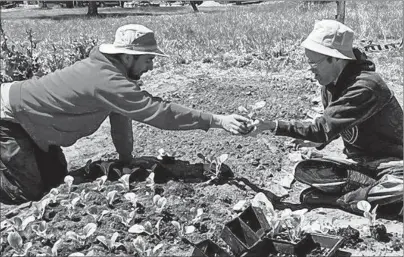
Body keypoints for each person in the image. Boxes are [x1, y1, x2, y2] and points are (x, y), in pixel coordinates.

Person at [0, 24, 251, 205]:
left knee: (55, 183)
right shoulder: (106, 80)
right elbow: (161, 113)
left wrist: (125, 158)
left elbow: (121, 121)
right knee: (25, 195)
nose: (152, 66)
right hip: (10, 117)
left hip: (35, 124)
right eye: (148, 59)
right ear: (128, 57)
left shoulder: (114, 77)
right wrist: (217, 120)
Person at [248, 20, 403, 216]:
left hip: (392, 163)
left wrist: (273, 126)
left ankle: (344, 200)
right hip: (359, 166)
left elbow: (322, 128)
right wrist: (317, 142)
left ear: (336, 59)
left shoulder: (366, 86)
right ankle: (372, 196)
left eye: (314, 63)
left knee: (398, 186)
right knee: (305, 170)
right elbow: (336, 125)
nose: (311, 69)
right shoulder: (329, 84)